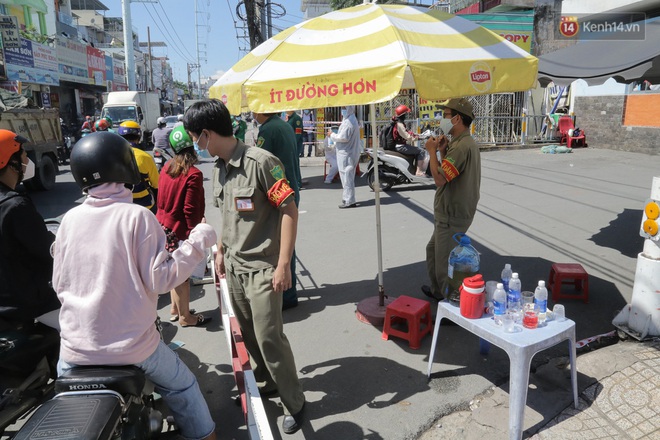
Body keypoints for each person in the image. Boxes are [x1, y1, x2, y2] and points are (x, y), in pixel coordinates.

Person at [53, 131, 217, 440]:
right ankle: (206, 436)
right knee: (183, 386)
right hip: (133, 347)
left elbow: (58, 282)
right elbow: (164, 278)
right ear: (125, 168)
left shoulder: (70, 220)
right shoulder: (137, 217)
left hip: (72, 352)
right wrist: (198, 241)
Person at [184, 99, 306, 435]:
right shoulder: (220, 169)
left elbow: (289, 211)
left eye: (196, 137)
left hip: (264, 268)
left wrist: (283, 265)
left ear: (207, 134)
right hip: (234, 267)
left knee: (270, 338)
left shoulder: (262, 162)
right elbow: (228, 215)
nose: (196, 145)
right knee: (249, 335)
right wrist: (221, 249)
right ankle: (267, 383)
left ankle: (294, 402)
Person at [421, 98, 481, 302]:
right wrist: (442, 151)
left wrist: (430, 150)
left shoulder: (462, 146)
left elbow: (439, 179)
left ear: (457, 118)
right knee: (433, 251)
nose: (442, 119)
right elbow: (450, 172)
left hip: (452, 214)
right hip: (449, 212)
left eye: (445, 115)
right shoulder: (460, 143)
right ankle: (439, 292)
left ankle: (450, 305)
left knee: (445, 263)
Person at [0, 130, 60, 330]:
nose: (27, 158)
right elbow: (47, 251)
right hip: (23, 304)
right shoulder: (15, 205)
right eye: (23, 153)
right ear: (10, 161)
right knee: (85, 332)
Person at [156, 126, 209, 327]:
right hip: (179, 231)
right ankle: (186, 317)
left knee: (171, 270)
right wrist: (194, 232)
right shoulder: (193, 174)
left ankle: (174, 309)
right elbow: (190, 210)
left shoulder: (167, 167)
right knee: (182, 276)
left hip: (162, 227)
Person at [253, 111, 302, 310]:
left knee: (282, 244)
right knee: (287, 243)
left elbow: (259, 162)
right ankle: (289, 291)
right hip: (290, 188)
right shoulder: (283, 124)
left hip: (279, 192)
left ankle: (287, 294)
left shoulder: (268, 129)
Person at [118, 120, 160, 214]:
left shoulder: (112, 155)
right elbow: (156, 184)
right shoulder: (145, 157)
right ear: (138, 137)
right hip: (145, 205)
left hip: (120, 204)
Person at [328, 105, 361, 209]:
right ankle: (347, 198)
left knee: (347, 177)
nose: (342, 110)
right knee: (346, 177)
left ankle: (349, 200)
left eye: (344, 108)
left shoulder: (349, 122)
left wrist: (332, 135)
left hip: (347, 154)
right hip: (347, 153)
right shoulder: (348, 119)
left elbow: (343, 137)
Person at [391, 105, 428, 176]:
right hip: (400, 146)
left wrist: (418, 135)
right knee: (421, 151)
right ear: (402, 115)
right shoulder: (399, 125)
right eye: (405, 114)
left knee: (416, 151)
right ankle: (419, 172)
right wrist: (418, 138)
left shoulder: (399, 123)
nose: (406, 116)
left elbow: (408, 132)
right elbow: (407, 136)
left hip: (400, 145)